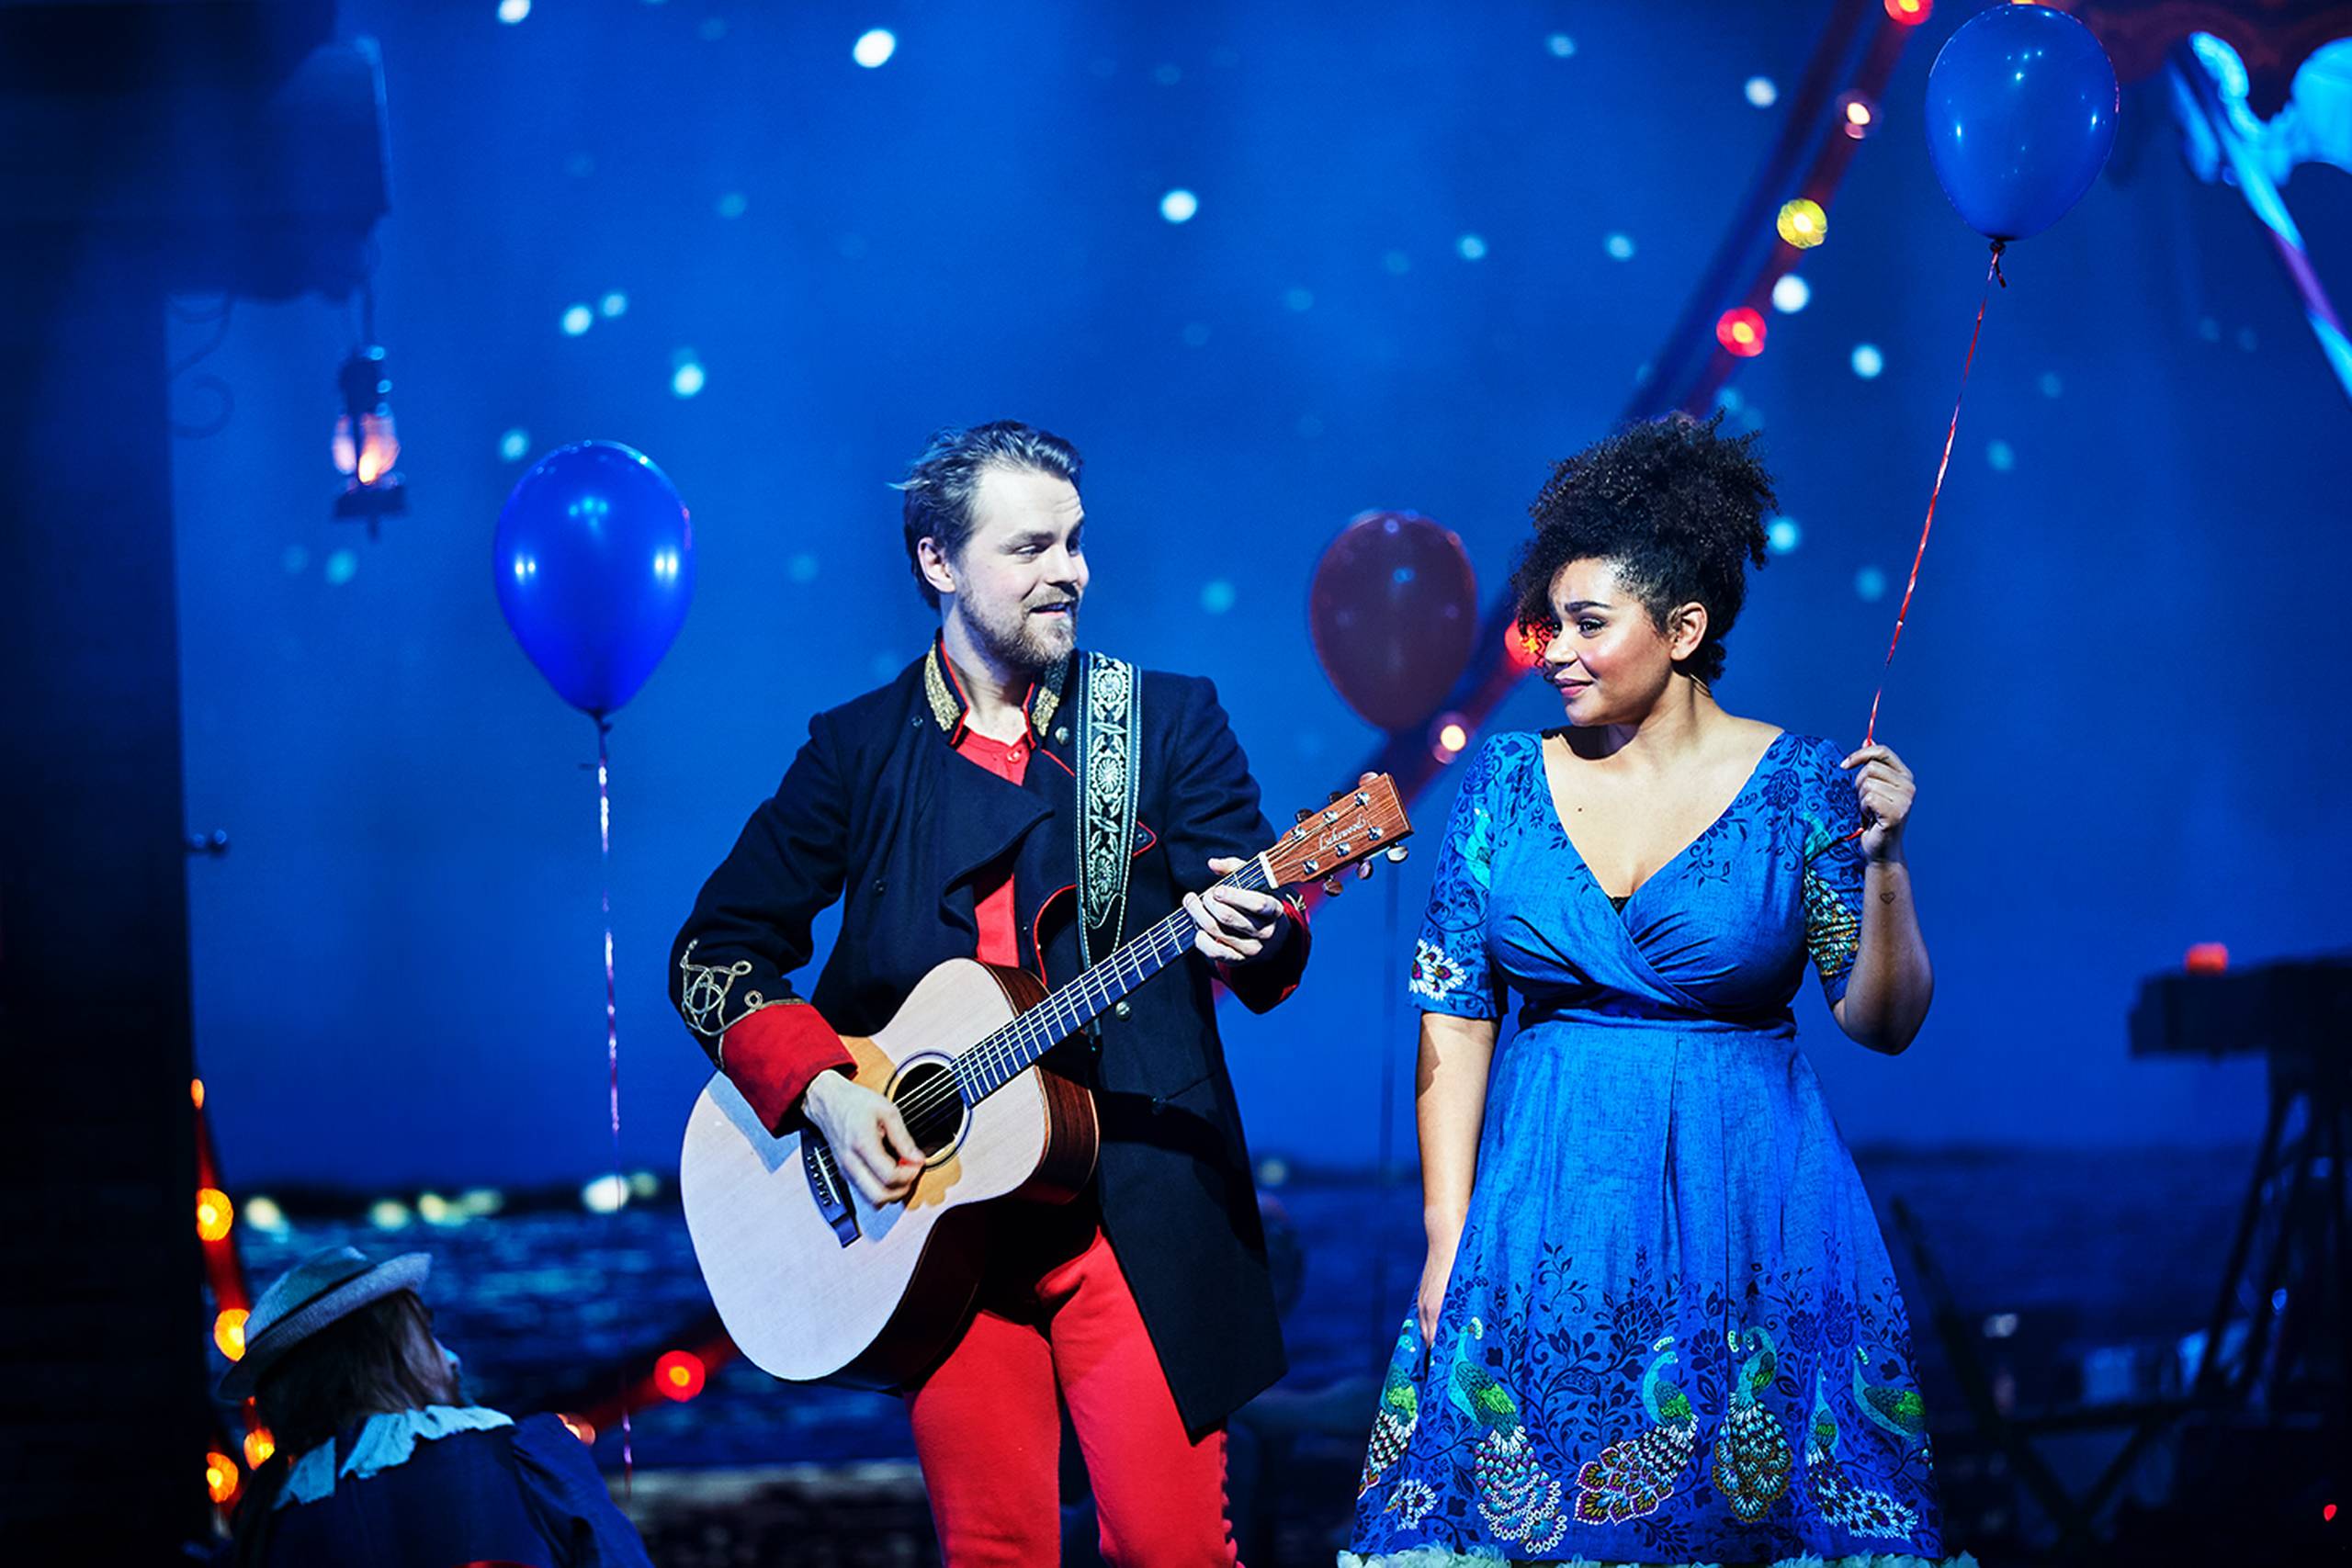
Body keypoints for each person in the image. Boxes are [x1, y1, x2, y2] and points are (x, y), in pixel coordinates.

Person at [670, 421, 1317, 1567]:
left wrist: (1252, 929)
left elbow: (1260, 948)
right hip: (942, 1227)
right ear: (937, 562)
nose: (1068, 570)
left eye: (1074, 541)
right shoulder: (853, 751)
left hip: (1137, 1202)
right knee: (996, 1554)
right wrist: (822, 1090)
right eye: (1030, 549)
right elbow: (713, 953)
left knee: (1173, 1552)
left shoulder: (1163, 722)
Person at [1344, 414, 1960, 1566]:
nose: (1554, 653)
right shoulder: (1500, 786)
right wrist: (1444, 1237)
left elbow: (1880, 1023)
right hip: (1545, 1203)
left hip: (1751, 1198)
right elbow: (1453, 1015)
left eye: (1587, 624)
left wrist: (1884, 864)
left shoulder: (1799, 790)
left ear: (1683, 629)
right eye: (1545, 626)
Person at [217, 1246, 652, 1568]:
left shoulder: (264, 1521)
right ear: (385, 1354)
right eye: (427, 1334)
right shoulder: (523, 1458)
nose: (451, 1358)